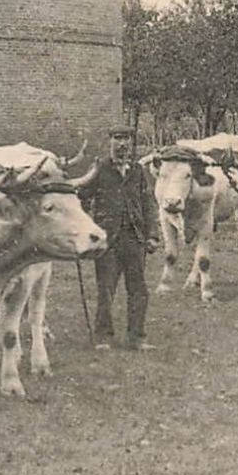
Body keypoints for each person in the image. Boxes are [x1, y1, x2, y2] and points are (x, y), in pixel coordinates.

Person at [82, 126, 159, 350]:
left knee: (138, 289)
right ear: (110, 142)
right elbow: (83, 201)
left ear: (131, 143)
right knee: (106, 288)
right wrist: (86, 232)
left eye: (126, 139)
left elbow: (148, 205)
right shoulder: (100, 169)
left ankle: (137, 337)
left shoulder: (138, 171)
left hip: (134, 238)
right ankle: (103, 337)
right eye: (117, 139)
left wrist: (152, 235)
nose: (122, 143)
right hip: (108, 240)